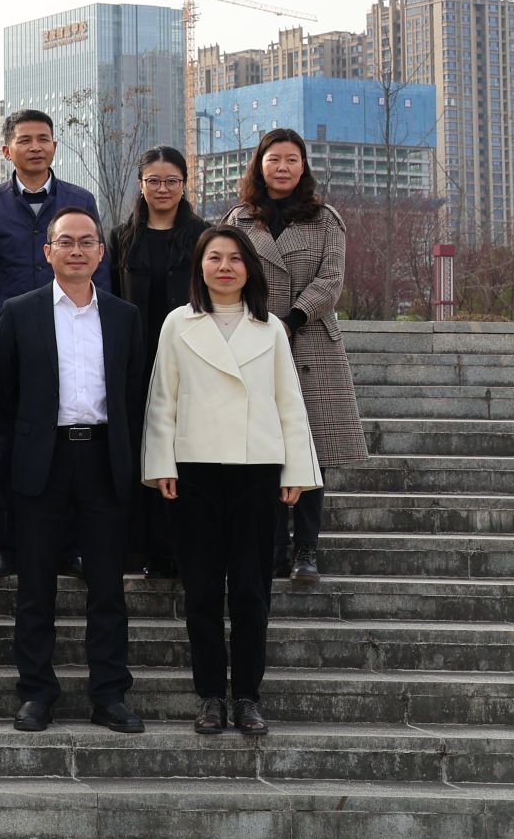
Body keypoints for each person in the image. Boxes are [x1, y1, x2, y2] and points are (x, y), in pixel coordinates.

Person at [143, 225, 321, 738]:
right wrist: (161, 464)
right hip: (194, 470)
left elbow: (289, 402)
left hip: (256, 470)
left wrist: (297, 471)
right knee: (201, 592)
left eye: (235, 259)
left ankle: (247, 696)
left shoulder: (270, 329)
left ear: (250, 269)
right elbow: (162, 398)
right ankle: (209, 697)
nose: (225, 267)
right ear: (199, 266)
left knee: (250, 591)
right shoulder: (177, 323)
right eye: (215, 257)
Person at [0, 207, 146, 734]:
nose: (76, 251)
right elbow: (3, 403)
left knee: (107, 588)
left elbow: (134, 398)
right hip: (42, 461)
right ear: (47, 251)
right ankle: (37, 693)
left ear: (101, 252)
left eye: (86, 242)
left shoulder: (124, 317)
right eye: (66, 242)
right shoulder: (19, 313)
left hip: (103, 459)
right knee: (35, 587)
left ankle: (109, 694)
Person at [0, 108, 109, 578]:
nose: (35, 147)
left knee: (69, 445)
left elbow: (99, 268)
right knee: (6, 443)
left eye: (43, 139)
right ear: (7, 150)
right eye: (25, 140)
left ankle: (72, 545)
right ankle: (2, 544)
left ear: (54, 146)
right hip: (10, 339)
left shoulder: (79, 199)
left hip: (73, 333)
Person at [223, 129, 365, 583]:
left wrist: (293, 318)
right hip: (253, 339)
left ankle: (306, 548)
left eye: (291, 159)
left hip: (312, 341)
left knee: (311, 449)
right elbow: (225, 272)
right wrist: (260, 321)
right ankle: (272, 549)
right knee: (263, 447)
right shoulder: (240, 219)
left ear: (303, 167)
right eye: (273, 159)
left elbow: (332, 280)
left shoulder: (325, 219)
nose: (282, 167)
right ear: (259, 165)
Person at [106, 146, 209, 579]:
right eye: (154, 181)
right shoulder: (120, 237)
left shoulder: (203, 235)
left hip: (189, 361)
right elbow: (111, 298)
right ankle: (142, 548)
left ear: (184, 185)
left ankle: (179, 549)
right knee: (138, 450)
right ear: (140, 184)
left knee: (182, 452)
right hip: (135, 360)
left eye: (172, 181)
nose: (162, 189)